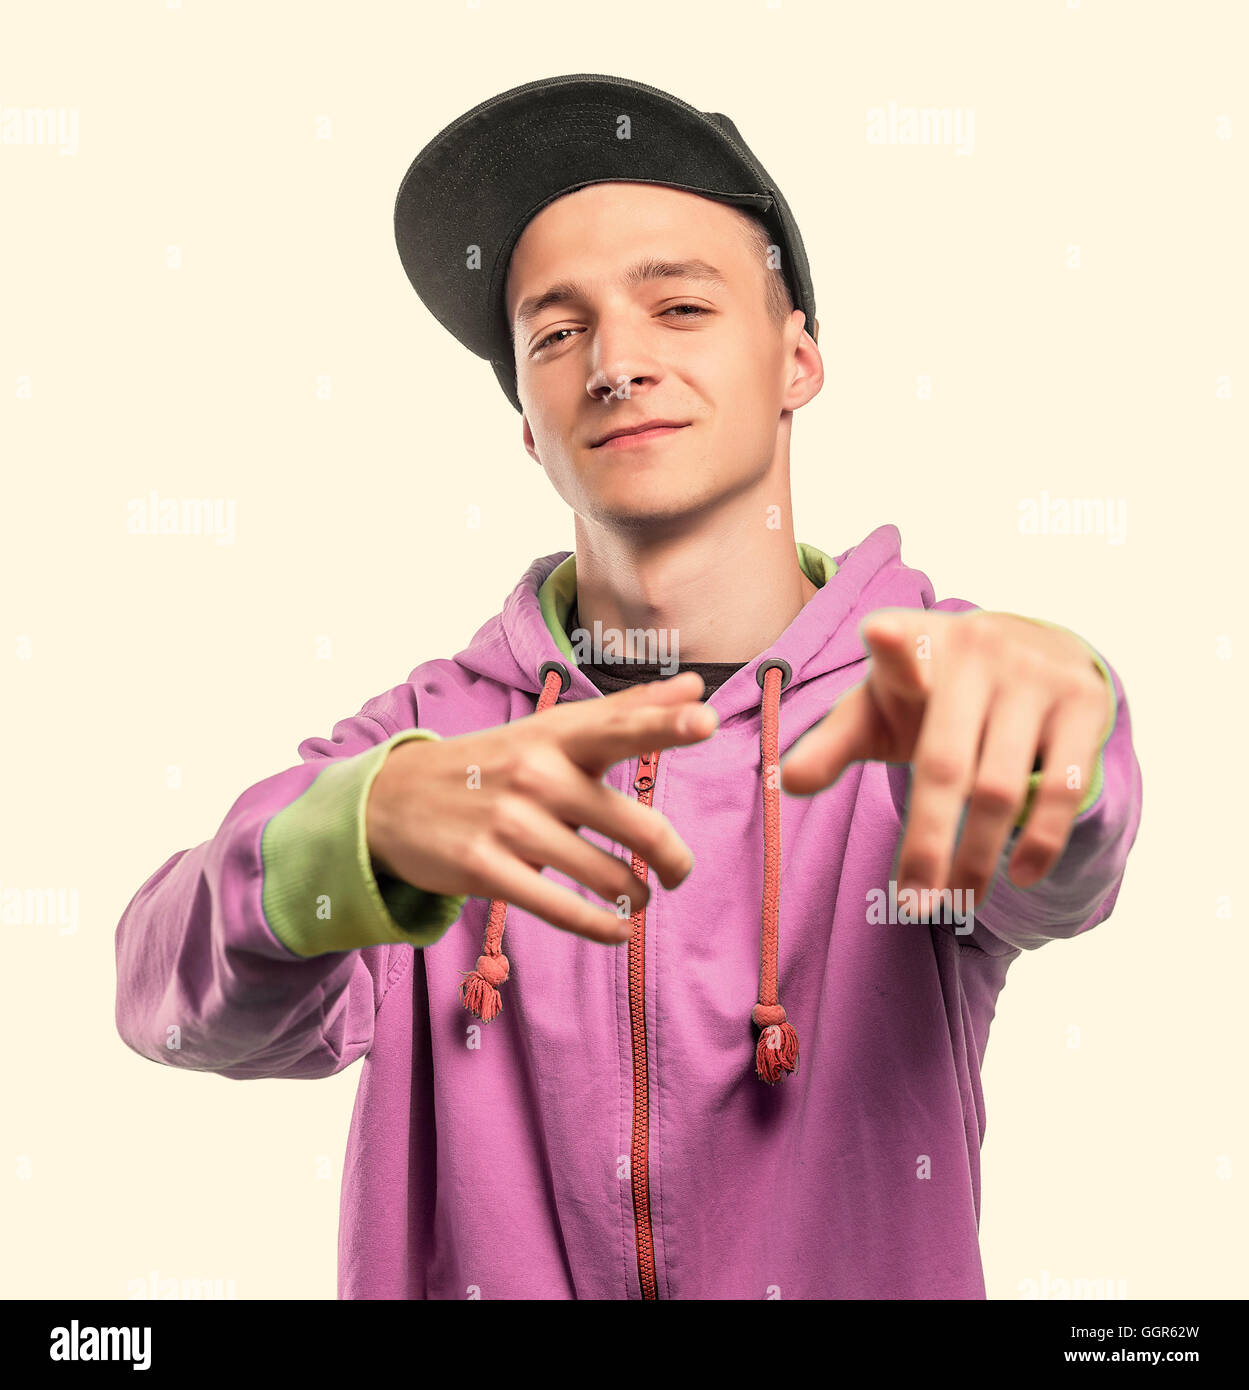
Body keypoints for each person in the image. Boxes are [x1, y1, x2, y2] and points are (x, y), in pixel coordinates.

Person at [114, 73, 1143, 1300]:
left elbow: (1061, 857)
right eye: (556, 333)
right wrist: (356, 839)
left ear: (798, 358)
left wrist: (1058, 735)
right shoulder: (431, 744)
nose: (615, 362)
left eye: (680, 305)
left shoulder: (922, 691)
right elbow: (166, 1000)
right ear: (528, 424)